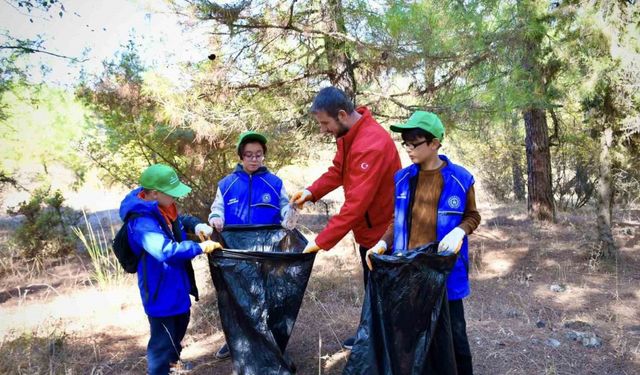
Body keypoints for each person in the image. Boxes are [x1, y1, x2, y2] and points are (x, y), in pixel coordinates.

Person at [366, 111, 481, 375]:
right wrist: (382, 244)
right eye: (405, 143)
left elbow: (473, 215)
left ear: (434, 143)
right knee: (412, 338)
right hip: (409, 273)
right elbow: (396, 219)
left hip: (444, 273)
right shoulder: (402, 179)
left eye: (414, 143)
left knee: (454, 338)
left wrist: (460, 231)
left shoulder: (460, 180)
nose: (408, 149)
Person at [290, 86, 401, 350]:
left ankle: (388, 351)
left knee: (385, 292)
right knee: (373, 289)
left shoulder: (371, 144)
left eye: (325, 123)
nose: (323, 129)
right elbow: (338, 170)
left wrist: (321, 241)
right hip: (367, 231)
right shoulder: (349, 134)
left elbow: (355, 205)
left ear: (341, 114)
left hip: (384, 234)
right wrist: (310, 192)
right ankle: (371, 339)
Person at [118, 164, 221, 375]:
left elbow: (177, 222)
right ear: (154, 193)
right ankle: (159, 370)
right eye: (171, 193)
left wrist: (195, 225)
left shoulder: (161, 207)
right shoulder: (141, 221)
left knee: (181, 322)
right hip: (159, 288)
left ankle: (173, 363)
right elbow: (164, 250)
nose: (176, 197)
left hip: (177, 283)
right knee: (161, 341)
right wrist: (199, 247)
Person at [207, 131, 292, 359]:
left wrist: (288, 215)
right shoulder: (227, 184)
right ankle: (236, 340)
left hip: (268, 252)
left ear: (263, 156)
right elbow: (217, 209)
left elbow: (285, 206)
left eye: (258, 155)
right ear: (241, 157)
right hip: (236, 253)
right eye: (249, 155)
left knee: (269, 296)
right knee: (238, 298)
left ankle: (271, 345)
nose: (254, 159)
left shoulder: (274, 183)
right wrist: (215, 218)